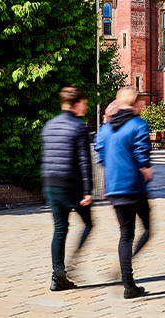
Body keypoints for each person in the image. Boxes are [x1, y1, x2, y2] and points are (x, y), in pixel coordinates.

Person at [94, 88, 153, 299]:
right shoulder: (138, 124)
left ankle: (128, 282)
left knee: (125, 234)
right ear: (136, 103)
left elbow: (100, 153)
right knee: (147, 230)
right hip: (134, 186)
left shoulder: (107, 127)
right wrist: (146, 169)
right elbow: (141, 152)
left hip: (114, 188)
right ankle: (127, 274)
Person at [40, 86, 94, 292]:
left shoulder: (49, 125)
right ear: (77, 104)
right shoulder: (79, 127)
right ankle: (72, 264)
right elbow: (84, 161)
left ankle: (58, 275)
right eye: (85, 103)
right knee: (89, 223)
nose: (86, 107)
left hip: (51, 184)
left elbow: (47, 157)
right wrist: (88, 191)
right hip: (72, 186)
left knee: (60, 229)